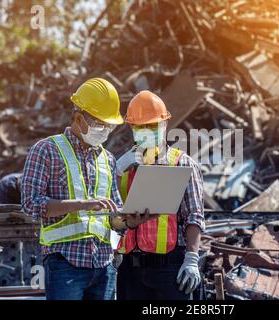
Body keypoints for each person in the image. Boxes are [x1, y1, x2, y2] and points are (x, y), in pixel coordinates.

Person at [21, 78, 126, 300]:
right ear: (79, 118)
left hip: (104, 265)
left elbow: (114, 215)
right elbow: (31, 205)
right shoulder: (46, 150)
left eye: (109, 125)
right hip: (65, 264)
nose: (105, 130)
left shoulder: (108, 159)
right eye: (100, 124)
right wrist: (83, 204)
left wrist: (129, 218)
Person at [112, 90, 205, 300]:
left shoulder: (181, 163)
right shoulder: (123, 167)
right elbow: (107, 212)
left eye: (152, 126)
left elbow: (194, 215)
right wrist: (116, 171)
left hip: (169, 268)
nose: (146, 131)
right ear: (132, 128)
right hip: (131, 270)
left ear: (164, 125)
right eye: (140, 127)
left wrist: (191, 258)